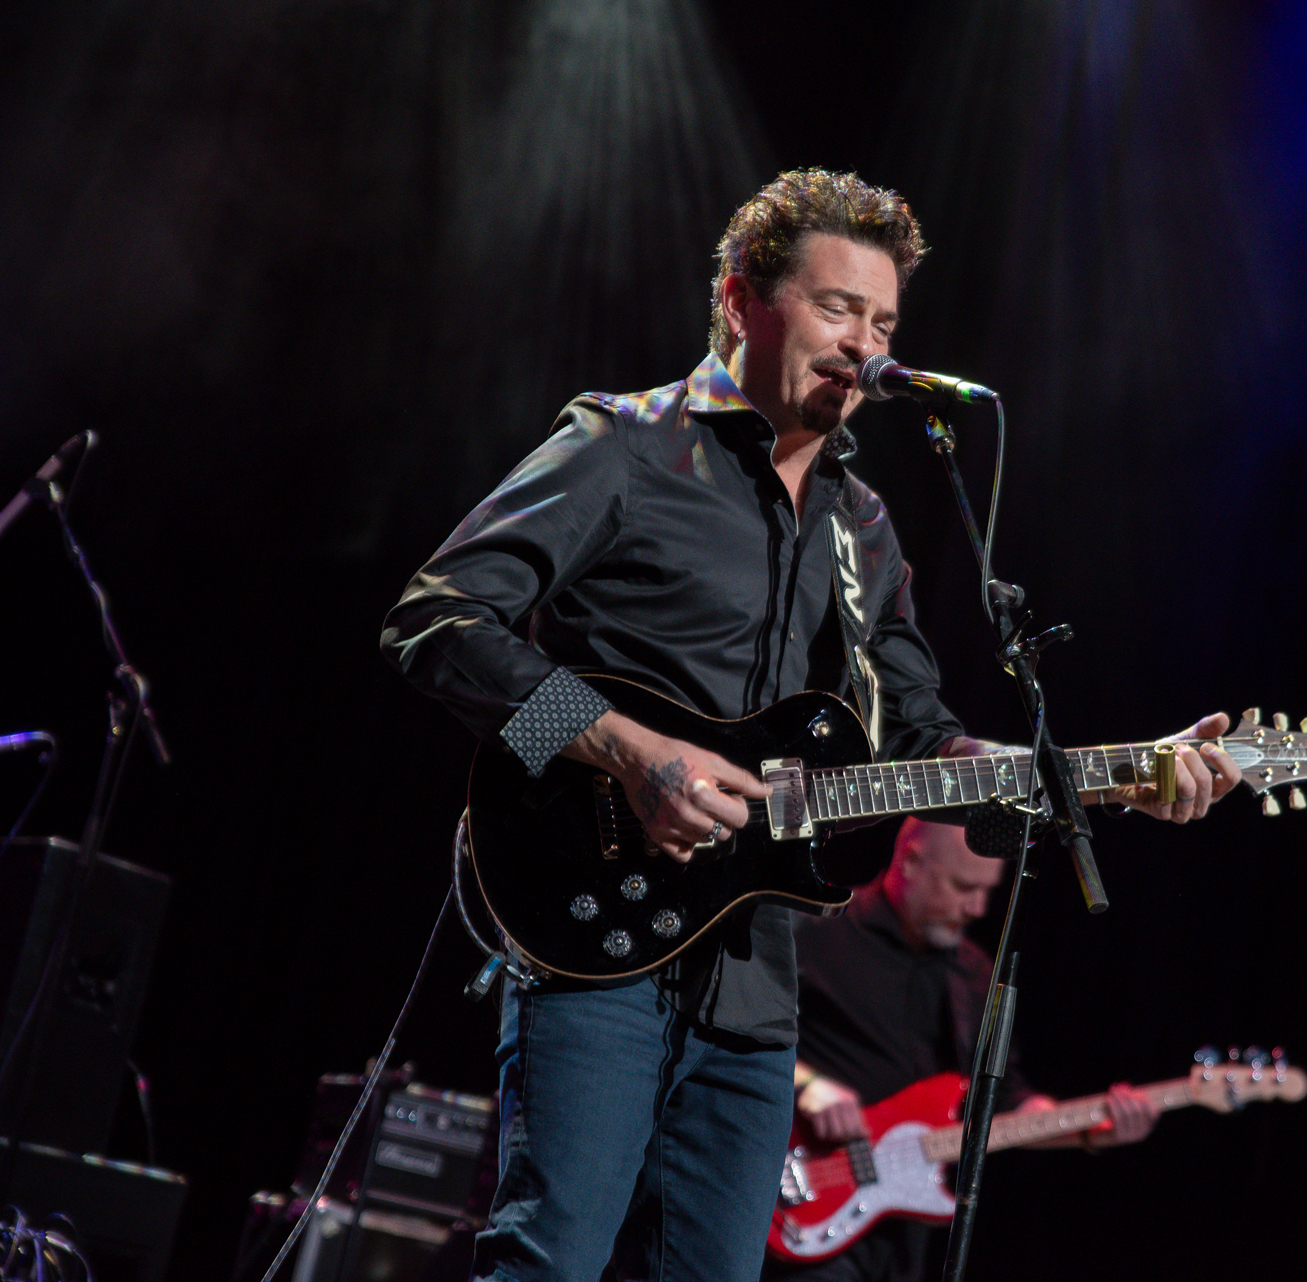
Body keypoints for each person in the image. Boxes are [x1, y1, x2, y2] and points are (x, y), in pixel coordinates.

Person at [380, 169, 1241, 1282]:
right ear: (743, 299)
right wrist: (630, 752)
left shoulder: (862, 527)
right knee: (552, 1262)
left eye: (884, 324)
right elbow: (433, 620)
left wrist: (1108, 779)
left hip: (754, 985)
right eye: (839, 309)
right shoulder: (624, 445)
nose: (865, 347)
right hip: (590, 940)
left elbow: (923, 741)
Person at [771, 817, 1160, 1282]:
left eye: (987, 890)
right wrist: (809, 1084)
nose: (977, 907)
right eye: (963, 886)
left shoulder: (975, 974)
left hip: (901, 1240)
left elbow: (1007, 1103)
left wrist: (1092, 1130)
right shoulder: (816, 928)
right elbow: (732, 1034)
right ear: (911, 862)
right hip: (796, 1196)